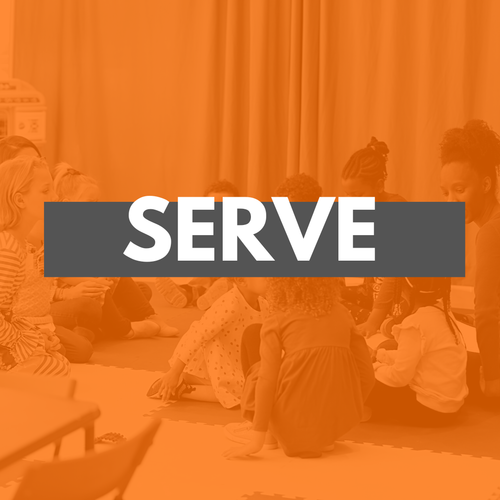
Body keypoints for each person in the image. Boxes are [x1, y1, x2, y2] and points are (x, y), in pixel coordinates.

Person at [223, 277, 375, 459]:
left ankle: (268, 434)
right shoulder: (342, 313)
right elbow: (367, 375)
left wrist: (256, 440)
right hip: (334, 425)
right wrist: (343, 412)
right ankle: (321, 437)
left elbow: (267, 379)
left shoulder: (279, 317)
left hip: (290, 422)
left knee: (253, 339)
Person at [49, 163, 178, 339]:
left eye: (98, 202)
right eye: (90, 203)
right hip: (74, 290)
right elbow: (63, 273)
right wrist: (93, 279)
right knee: (98, 289)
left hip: (91, 283)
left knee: (136, 286)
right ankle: (122, 329)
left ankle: (148, 316)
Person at [440, 120, 500, 397]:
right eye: (446, 192)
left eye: (460, 190)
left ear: (486, 184)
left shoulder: (490, 232)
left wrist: (493, 378)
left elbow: (487, 312)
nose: (451, 201)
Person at [147, 278, 268, 407]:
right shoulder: (231, 304)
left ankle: (183, 384)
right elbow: (198, 334)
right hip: (210, 361)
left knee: (257, 389)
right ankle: (181, 388)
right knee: (246, 394)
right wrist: (174, 372)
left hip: (233, 359)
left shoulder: (264, 305)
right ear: (241, 281)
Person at [0, 155, 70, 376]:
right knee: (57, 369)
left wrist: (34, 337)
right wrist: (22, 340)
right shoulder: (8, 250)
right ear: (20, 200)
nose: (55, 196)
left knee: (57, 361)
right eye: (45, 190)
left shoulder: (18, 243)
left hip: (8, 329)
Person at [365, 277, 468, 425]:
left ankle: (368, 409)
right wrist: (379, 355)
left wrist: (371, 368)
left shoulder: (414, 323)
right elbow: (414, 358)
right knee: (386, 347)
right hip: (450, 407)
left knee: (358, 378)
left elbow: (398, 377)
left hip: (427, 409)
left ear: (404, 290)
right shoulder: (443, 313)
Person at [155, 179, 240, 310]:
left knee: (230, 282)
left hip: (231, 279)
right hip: (205, 279)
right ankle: (189, 293)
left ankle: (207, 294)